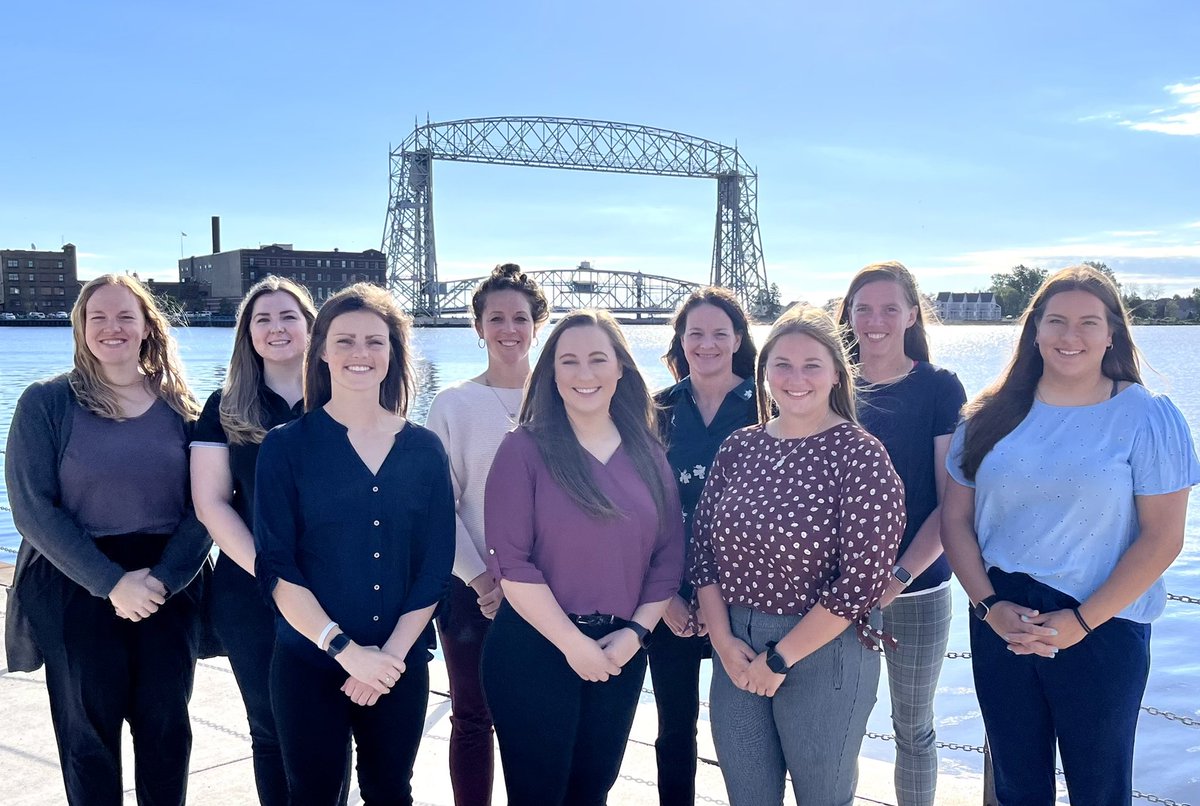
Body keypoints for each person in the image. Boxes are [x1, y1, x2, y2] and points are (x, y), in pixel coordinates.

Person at [942, 265, 1199, 806]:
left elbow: (1162, 539)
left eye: (1088, 322)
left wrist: (1082, 621)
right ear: (1034, 329)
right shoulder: (988, 416)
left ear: (1112, 334)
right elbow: (956, 521)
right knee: (1016, 786)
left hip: (1102, 624)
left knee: (1099, 790)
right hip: (1002, 615)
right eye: (1056, 321)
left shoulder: (1148, 417)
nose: (1070, 336)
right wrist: (989, 606)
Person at [4, 274, 211, 806]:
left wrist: (163, 579)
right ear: (81, 328)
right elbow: (31, 508)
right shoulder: (46, 402)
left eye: (125, 316)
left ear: (147, 327)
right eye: (98, 317)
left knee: (166, 728)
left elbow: (206, 506)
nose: (111, 327)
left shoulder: (182, 407)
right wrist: (110, 582)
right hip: (76, 580)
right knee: (87, 735)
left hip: (167, 579)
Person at [692, 305, 906, 806]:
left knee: (823, 798)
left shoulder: (860, 454)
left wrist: (783, 657)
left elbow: (861, 581)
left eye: (811, 364)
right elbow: (702, 550)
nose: (796, 378)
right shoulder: (739, 447)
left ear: (836, 372)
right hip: (736, 647)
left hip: (823, 649)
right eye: (781, 365)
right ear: (764, 373)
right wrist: (722, 642)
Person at [253, 283, 455, 806]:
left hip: (398, 662)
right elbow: (277, 566)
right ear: (320, 350)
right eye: (344, 341)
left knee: (391, 793)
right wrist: (345, 650)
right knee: (312, 795)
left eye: (375, 342)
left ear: (393, 354)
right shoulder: (284, 447)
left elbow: (434, 566)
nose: (359, 354)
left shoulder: (425, 450)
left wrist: (386, 657)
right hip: (308, 661)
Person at [481, 309, 685, 806]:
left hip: (620, 650)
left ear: (621, 369)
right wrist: (574, 645)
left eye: (598, 359)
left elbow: (667, 556)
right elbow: (512, 562)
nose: (585, 374)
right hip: (535, 648)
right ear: (551, 373)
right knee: (538, 796)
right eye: (569, 361)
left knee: (591, 791)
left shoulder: (648, 452)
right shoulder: (523, 448)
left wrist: (635, 636)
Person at [834, 261, 966, 806]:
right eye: (863, 307)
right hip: (834, 595)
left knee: (913, 730)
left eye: (890, 307)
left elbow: (948, 503)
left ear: (912, 314)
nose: (876, 320)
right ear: (847, 315)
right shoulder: (829, 383)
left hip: (917, 589)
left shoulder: (938, 388)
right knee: (837, 729)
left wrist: (895, 578)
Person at [425, 263, 550, 806]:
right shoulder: (452, 404)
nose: (508, 329)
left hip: (552, 591)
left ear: (537, 325)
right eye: (495, 318)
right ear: (477, 327)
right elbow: (437, 505)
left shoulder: (562, 398)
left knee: (538, 718)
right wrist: (480, 579)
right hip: (470, 588)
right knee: (472, 717)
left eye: (520, 318)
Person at [191, 276, 318, 805]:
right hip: (251, 592)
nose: (276, 328)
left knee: (330, 726)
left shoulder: (345, 399)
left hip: (336, 588)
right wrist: (270, 570)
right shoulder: (225, 406)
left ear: (311, 326)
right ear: (246, 334)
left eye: (288, 316)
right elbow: (211, 502)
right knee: (269, 730)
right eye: (261, 319)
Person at [649, 287, 758, 806]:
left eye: (720, 332)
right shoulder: (657, 409)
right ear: (681, 341)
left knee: (748, 730)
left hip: (745, 598)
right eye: (696, 333)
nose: (707, 343)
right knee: (674, 728)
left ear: (738, 338)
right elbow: (637, 510)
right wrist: (664, 595)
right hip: (669, 596)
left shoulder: (767, 403)